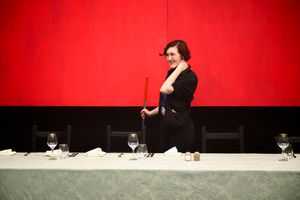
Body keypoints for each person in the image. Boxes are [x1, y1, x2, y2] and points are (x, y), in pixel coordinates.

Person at [141, 40, 198, 153]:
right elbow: (166, 103)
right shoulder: (171, 74)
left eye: (172, 54)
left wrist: (180, 67)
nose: (168, 58)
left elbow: (164, 89)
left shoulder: (190, 77)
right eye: (167, 55)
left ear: (182, 55)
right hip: (167, 129)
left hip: (181, 131)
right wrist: (150, 113)